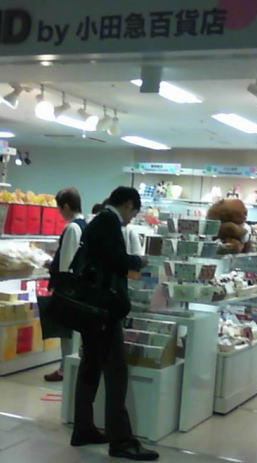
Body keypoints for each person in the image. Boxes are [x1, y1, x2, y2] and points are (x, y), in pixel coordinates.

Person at [72, 186, 158, 461]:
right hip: (105, 311)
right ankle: (121, 440)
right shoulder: (109, 222)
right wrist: (137, 260)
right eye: (134, 212)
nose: (132, 218)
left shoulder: (98, 221)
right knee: (116, 373)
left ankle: (83, 428)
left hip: (92, 308)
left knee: (90, 367)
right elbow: (115, 260)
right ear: (129, 204)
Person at [43, 187, 87, 382]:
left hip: (68, 288)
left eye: (60, 208)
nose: (59, 212)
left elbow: (67, 262)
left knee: (66, 332)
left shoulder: (71, 228)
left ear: (67, 206)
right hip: (79, 288)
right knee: (74, 332)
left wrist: (57, 278)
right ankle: (69, 367)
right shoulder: (84, 225)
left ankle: (65, 368)